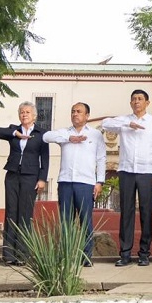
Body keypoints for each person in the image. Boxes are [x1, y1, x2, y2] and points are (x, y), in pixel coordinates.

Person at [101, 90, 152, 267]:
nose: (137, 102)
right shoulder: (123, 121)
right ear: (130, 103)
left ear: (147, 103)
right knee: (126, 213)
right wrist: (128, 124)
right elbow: (105, 124)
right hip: (126, 171)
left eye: (140, 99)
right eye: (134, 100)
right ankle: (125, 254)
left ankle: (144, 253)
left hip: (147, 172)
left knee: (146, 213)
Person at [44, 102, 107, 266]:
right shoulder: (64, 132)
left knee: (86, 221)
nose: (75, 114)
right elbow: (46, 137)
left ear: (87, 116)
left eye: (79, 111)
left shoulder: (95, 135)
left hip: (86, 183)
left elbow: (101, 159)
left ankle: (86, 256)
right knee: (66, 221)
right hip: (65, 182)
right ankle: (67, 254)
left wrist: (99, 181)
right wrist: (68, 138)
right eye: (73, 111)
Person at [0, 101, 49, 265]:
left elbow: (44, 158)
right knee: (11, 212)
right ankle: (9, 254)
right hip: (12, 174)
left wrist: (42, 178)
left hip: (30, 176)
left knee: (25, 213)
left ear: (34, 116)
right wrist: (14, 134)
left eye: (27, 112)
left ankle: (23, 255)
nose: (24, 115)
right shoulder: (13, 130)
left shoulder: (41, 133)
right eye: (22, 112)